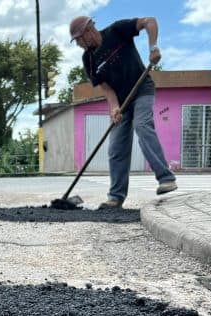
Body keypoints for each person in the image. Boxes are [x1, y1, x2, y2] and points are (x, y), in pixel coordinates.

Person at [69, 16, 177, 208]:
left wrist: (153, 47)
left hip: (141, 88)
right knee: (116, 147)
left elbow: (149, 21)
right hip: (122, 100)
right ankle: (116, 197)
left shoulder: (116, 31)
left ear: (88, 32)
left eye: (78, 40)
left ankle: (166, 178)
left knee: (142, 126)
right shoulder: (89, 59)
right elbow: (107, 89)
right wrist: (114, 108)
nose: (78, 45)